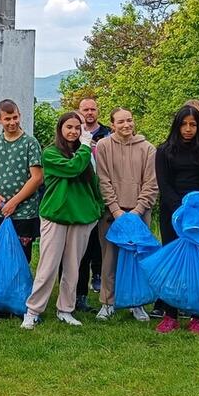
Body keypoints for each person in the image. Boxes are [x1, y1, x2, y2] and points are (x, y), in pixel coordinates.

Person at [22, 113, 103, 330]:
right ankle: (33, 310)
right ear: (60, 128)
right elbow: (73, 168)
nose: (74, 132)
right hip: (55, 215)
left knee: (73, 266)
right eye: (69, 127)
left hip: (82, 216)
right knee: (47, 266)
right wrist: (86, 147)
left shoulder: (85, 153)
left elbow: (93, 182)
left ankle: (65, 309)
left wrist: (97, 207)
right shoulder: (49, 153)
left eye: (78, 128)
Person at [154, 105, 199, 335]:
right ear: (177, 125)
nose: (188, 129)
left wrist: (196, 211)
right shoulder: (163, 151)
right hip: (173, 215)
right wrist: (180, 210)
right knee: (174, 265)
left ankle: (196, 317)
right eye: (184, 124)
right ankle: (170, 314)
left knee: (197, 265)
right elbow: (164, 184)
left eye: (193, 124)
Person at [94, 108, 159, 322]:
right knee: (109, 257)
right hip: (113, 213)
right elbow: (103, 180)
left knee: (138, 257)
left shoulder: (148, 148)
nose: (126, 125)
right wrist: (115, 210)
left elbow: (152, 182)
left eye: (129, 120)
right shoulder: (103, 146)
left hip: (139, 213)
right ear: (112, 124)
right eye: (120, 121)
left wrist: (138, 210)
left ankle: (137, 303)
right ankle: (107, 302)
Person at [0, 100, 43, 265]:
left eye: (15, 117)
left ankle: (18, 290)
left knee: (20, 257)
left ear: (20, 116)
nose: (12, 122)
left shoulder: (30, 143)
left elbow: (37, 177)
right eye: (7, 119)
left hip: (24, 211)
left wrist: (14, 202)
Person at [76, 97, 112, 299]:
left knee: (100, 238)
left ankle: (98, 274)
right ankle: (79, 284)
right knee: (85, 240)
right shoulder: (74, 132)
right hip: (82, 192)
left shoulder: (107, 133)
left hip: (102, 190)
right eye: (85, 109)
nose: (89, 112)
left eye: (93, 109)